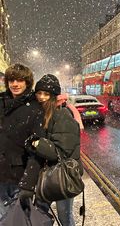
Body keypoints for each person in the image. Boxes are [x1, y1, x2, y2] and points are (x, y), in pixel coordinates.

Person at [26, 74, 83, 226]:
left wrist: (38, 143)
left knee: (64, 217)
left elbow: (62, 152)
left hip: (62, 175)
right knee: (39, 214)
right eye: (39, 93)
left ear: (54, 96)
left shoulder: (62, 115)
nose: (42, 97)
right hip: (45, 174)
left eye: (47, 94)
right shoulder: (41, 113)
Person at [0, 63, 45, 219]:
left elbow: (37, 149)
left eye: (19, 80)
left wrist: (28, 184)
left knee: (16, 220)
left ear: (27, 82)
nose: (15, 84)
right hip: (1, 174)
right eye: (11, 80)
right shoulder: (2, 103)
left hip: (19, 177)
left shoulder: (35, 108)